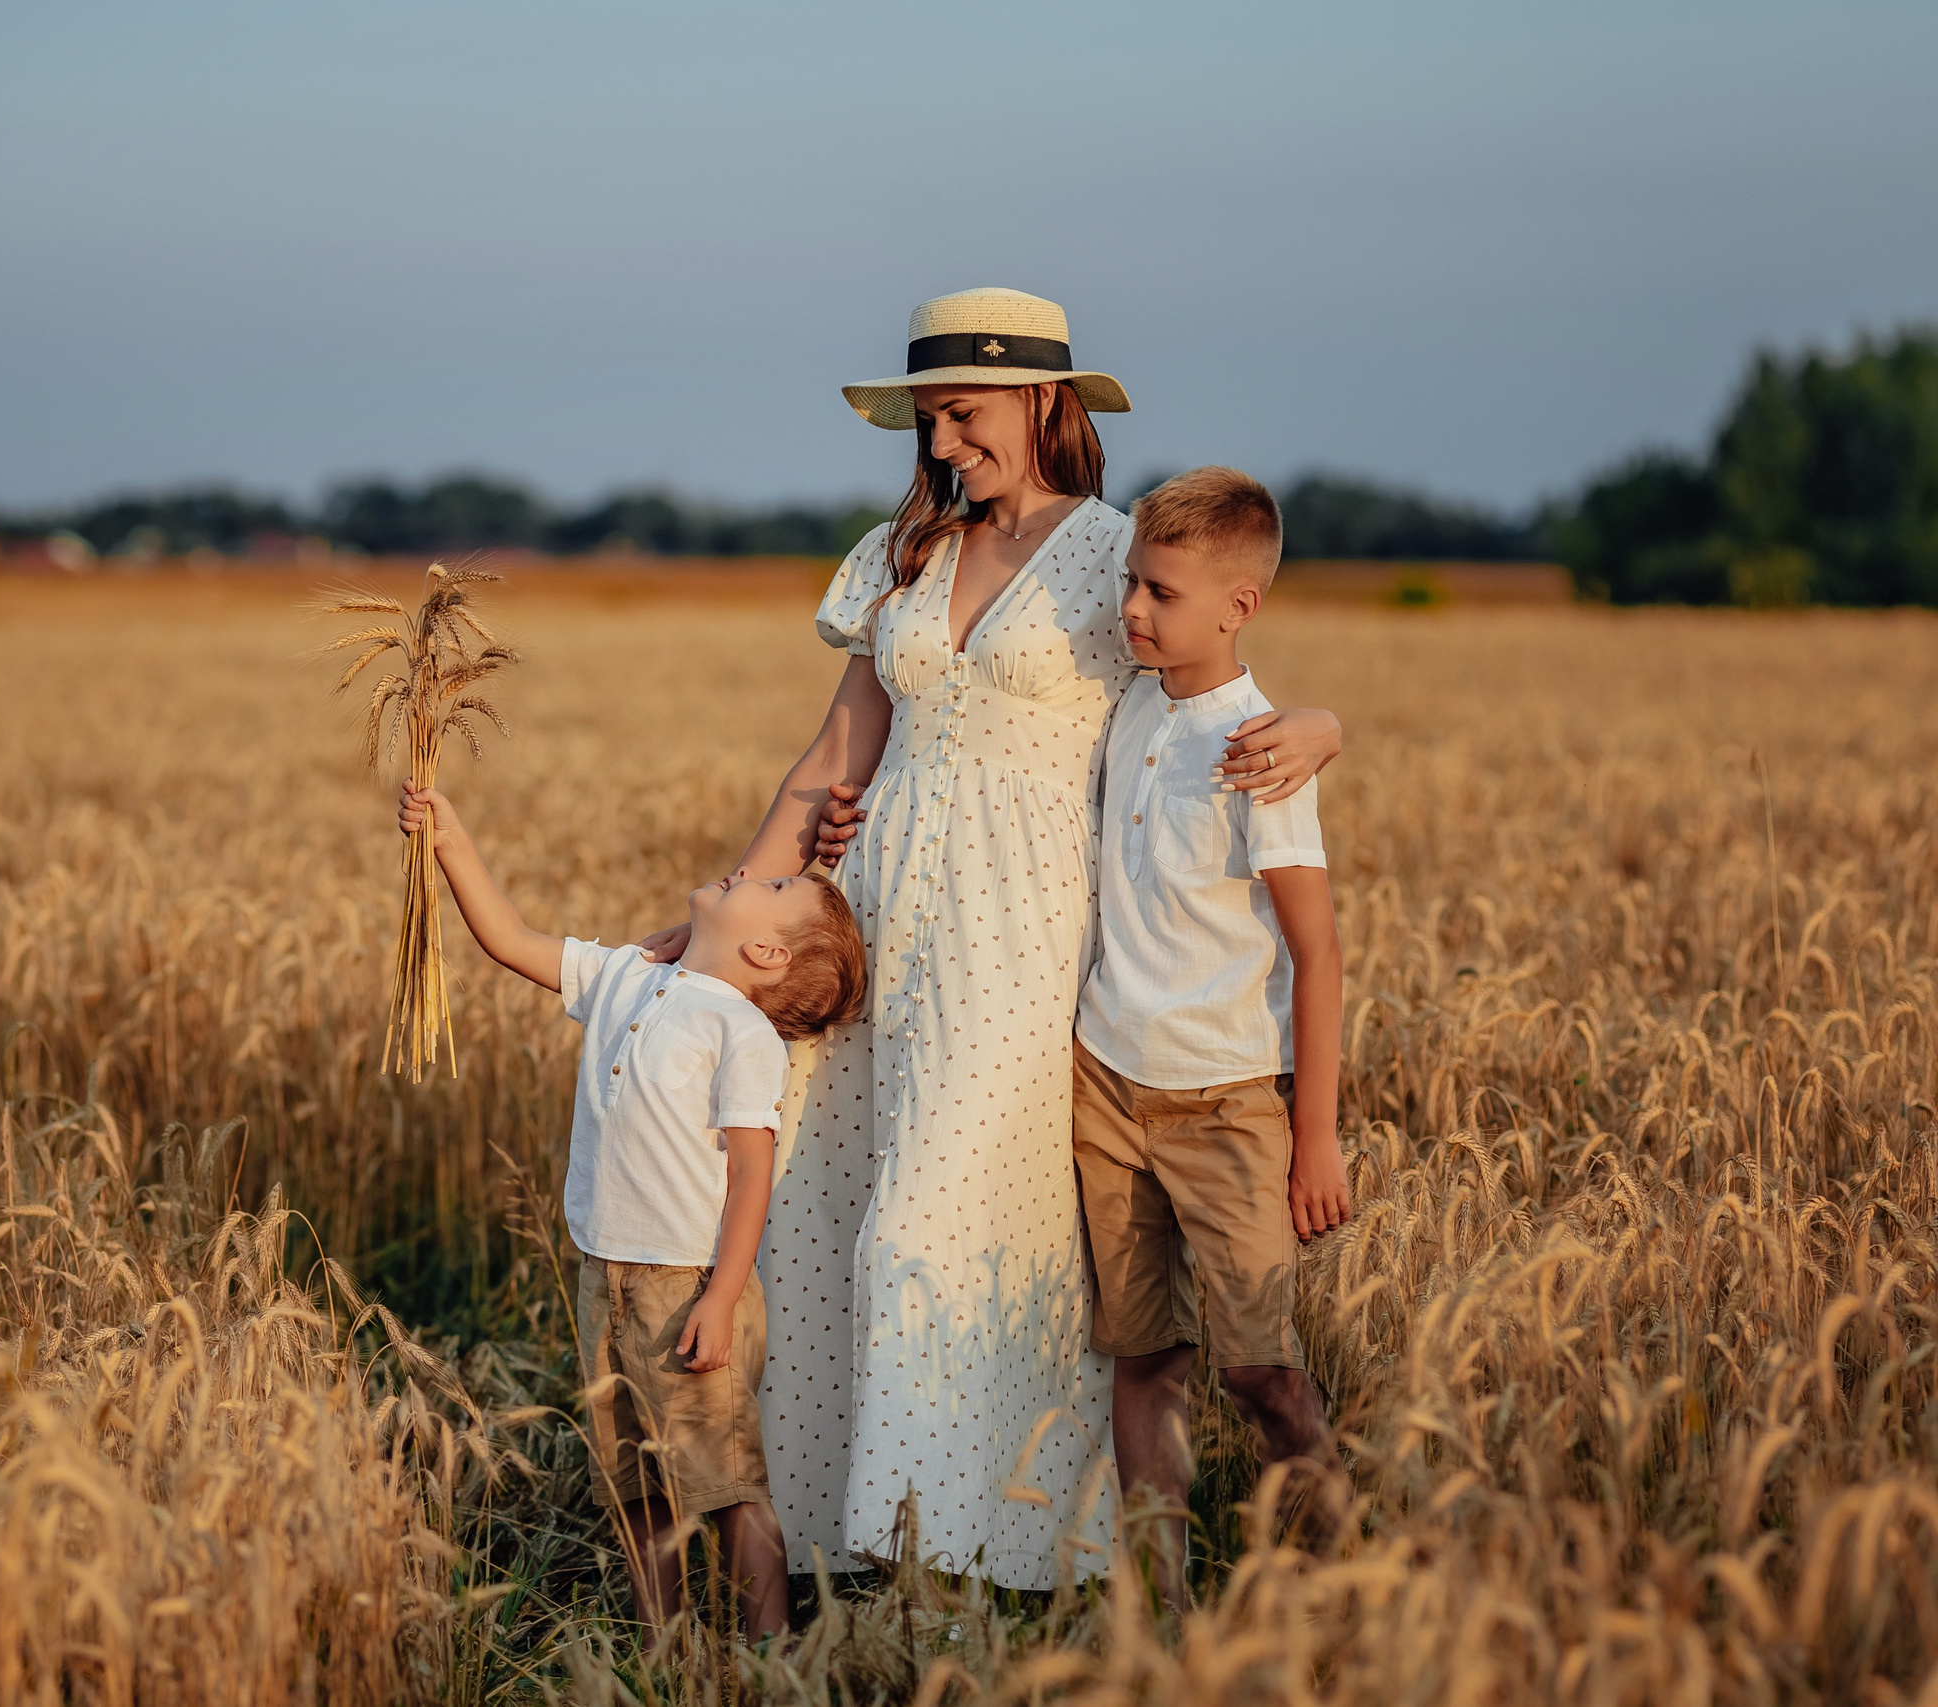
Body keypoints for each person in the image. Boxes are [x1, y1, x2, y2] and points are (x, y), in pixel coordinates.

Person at [647, 287, 1345, 1592]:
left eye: (964, 414)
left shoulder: (1114, 555)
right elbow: (835, 750)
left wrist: (1323, 724)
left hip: (1026, 933)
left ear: (1040, 403)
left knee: (933, 1227)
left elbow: (1215, 679)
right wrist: (719, 919)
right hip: (876, 913)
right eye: (927, 419)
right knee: (833, 1217)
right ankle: (866, 1548)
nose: (942, 442)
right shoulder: (901, 551)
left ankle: (970, 1548)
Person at [396, 781, 867, 1639]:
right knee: (637, 1487)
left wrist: (722, 1296)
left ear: (766, 952)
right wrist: (448, 838)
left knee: (727, 1482)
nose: (747, 871)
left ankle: (772, 1647)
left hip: (687, 1289)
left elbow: (751, 1176)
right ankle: (663, 1644)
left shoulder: (740, 1033)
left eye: (771, 885)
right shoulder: (627, 975)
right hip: (602, 1275)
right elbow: (510, 940)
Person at [1069, 467, 1352, 1607]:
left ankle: (1333, 1591)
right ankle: (1162, 1606)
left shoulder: (1263, 751)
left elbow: (1317, 951)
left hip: (1226, 1100)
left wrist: (1314, 1135)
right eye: (1132, 583)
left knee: (1261, 1371)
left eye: (1162, 593)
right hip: (1104, 1084)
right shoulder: (1131, 701)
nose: (1133, 609)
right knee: (1144, 1357)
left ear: (1239, 607)